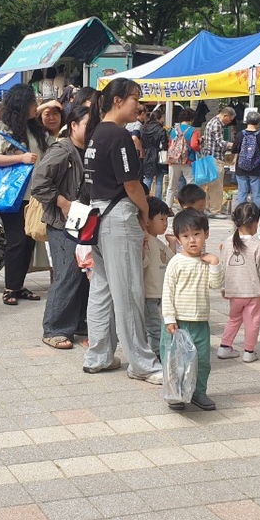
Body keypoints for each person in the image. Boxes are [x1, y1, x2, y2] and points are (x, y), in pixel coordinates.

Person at [83, 77, 163, 383]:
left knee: (102, 289)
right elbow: (131, 184)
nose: (138, 105)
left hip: (99, 217)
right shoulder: (118, 136)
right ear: (118, 100)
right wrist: (144, 210)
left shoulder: (96, 134)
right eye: (135, 99)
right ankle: (141, 362)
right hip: (118, 218)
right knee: (128, 290)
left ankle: (99, 355)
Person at [30, 104, 93, 349]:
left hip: (84, 221)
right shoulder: (62, 150)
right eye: (87, 125)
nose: (91, 130)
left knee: (83, 273)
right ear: (74, 125)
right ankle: (55, 328)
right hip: (63, 222)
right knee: (67, 272)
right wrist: (62, 202)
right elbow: (39, 182)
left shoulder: (88, 150)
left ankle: (78, 322)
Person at [0, 84, 51, 306]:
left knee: (29, 241)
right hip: (12, 196)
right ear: (22, 105)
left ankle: (19, 285)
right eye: (33, 102)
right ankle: (10, 287)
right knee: (17, 241)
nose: (36, 106)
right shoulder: (3, 129)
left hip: (35, 196)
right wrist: (20, 159)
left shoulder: (35, 128)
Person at [161, 209, 224, 410]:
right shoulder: (176, 262)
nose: (192, 241)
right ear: (179, 239)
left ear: (206, 233)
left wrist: (215, 263)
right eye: (186, 236)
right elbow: (167, 291)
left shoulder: (206, 262)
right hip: (178, 322)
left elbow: (215, 285)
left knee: (202, 360)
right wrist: (169, 318)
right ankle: (175, 394)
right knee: (175, 360)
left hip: (200, 322)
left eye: (197, 234)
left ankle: (199, 392)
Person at [219, 202, 260, 362]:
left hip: (234, 292)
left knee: (233, 318)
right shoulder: (258, 246)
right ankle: (249, 351)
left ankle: (224, 346)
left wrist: (223, 287)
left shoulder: (227, 244)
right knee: (252, 321)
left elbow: (223, 267)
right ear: (256, 222)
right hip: (252, 292)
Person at [141, 196, 175, 359]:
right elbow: (143, 263)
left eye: (166, 219)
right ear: (147, 221)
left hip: (161, 294)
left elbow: (172, 261)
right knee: (153, 326)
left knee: (159, 325)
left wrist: (173, 244)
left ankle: (160, 351)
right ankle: (157, 354)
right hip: (149, 294)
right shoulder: (146, 241)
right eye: (161, 219)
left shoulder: (159, 243)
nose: (165, 223)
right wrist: (142, 246)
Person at [201, 106, 234, 217]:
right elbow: (220, 142)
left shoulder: (211, 122)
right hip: (215, 158)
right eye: (230, 119)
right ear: (225, 116)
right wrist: (232, 145)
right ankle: (215, 210)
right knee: (216, 186)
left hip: (207, 157)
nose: (230, 122)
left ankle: (208, 207)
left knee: (209, 185)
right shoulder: (217, 124)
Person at [232, 111, 260, 208]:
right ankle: (256, 216)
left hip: (241, 168)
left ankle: (241, 214)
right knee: (256, 194)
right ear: (258, 122)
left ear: (247, 121)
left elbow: (234, 150)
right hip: (256, 168)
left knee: (242, 193)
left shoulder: (240, 135)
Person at [165, 109, 197, 206]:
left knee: (171, 186)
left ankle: (168, 207)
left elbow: (170, 144)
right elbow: (194, 145)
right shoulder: (193, 130)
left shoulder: (174, 130)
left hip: (173, 160)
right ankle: (189, 205)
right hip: (188, 160)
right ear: (192, 119)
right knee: (190, 184)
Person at [140, 110, 168, 196]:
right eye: (162, 117)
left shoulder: (144, 128)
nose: (163, 120)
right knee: (159, 181)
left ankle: (145, 198)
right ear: (159, 118)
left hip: (147, 154)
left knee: (147, 179)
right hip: (158, 155)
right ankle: (158, 201)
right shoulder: (161, 130)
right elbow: (164, 145)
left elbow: (142, 142)